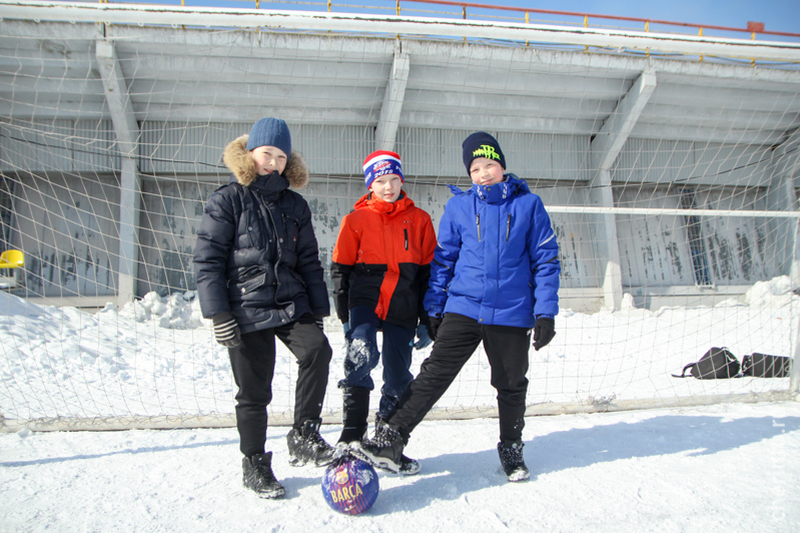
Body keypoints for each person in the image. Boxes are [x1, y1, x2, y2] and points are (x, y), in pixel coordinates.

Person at [353, 131, 560, 482]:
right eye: (476, 168)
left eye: (490, 165)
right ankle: (390, 438)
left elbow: (546, 260)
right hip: (464, 306)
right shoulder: (460, 206)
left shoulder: (529, 205)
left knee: (510, 383)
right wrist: (434, 306)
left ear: (502, 166)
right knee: (434, 374)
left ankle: (511, 450)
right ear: (469, 174)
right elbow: (443, 259)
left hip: (511, 311)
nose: (484, 173)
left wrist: (545, 312)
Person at [193, 117, 335, 499]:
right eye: (266, 154)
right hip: (245, 308)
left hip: (290, 304)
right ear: (250, 153)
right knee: (255, 392)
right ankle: (254, 463)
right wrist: (219, 314)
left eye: (280, 156)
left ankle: (304, 434)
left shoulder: (295, 204)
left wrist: (317, 310)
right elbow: (207, 260)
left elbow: (308, 260)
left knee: (318, 351)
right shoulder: (228, 199)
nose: (272, 162)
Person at [331, 150, 437, 475]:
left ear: (401, 180)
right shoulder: (355, 220)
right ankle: (352, 436)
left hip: (402, 306)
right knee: (361, 354)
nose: (388, 186)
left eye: (393, 179)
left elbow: (427, 275)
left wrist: (427, 319)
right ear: (370, 184)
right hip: (364, 302)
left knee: (399, 374)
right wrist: (344, 314)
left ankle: (386, 442)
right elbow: (339, 269)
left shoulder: (419, 220)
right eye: (380, 181)